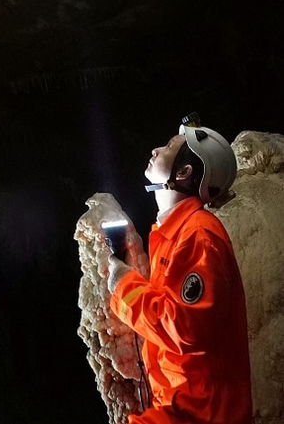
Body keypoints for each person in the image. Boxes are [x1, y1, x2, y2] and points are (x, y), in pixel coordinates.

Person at [107, 119, 253, 424]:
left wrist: (124, 285)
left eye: (170, 146)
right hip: (179, 405)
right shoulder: (172, 234)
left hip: (201, 412)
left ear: (184, 173)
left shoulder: (199, 235)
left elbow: (183, 326)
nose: (156, 149)